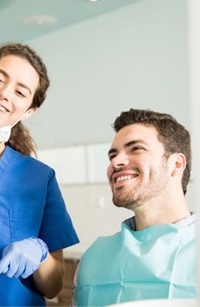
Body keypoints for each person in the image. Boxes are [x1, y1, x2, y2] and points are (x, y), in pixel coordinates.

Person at [0, 43, 79, 306]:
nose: (3, 93)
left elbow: (53, 286)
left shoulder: (39, 177)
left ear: (30, 110)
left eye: (20, 92)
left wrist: (40, 254)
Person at [75, 108, 196, 306]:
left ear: (176, 165)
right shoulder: (95, 257)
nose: (116, 161)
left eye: (136, 149)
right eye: (112, 155)